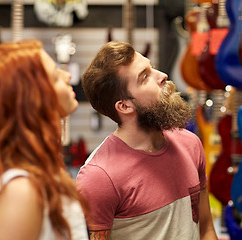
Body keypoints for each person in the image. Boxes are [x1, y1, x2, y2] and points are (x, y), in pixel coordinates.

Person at [76, 41, 218, 240]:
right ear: (124, 106)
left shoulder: (190, 144)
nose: (162, 75)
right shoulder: (99, 177)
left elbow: (206, 230)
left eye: (152, 67)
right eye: (145, 77)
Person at [0, 40, 89, 240]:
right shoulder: (20, 190)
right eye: (55, 76)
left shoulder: (32, 178)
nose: (67, 76)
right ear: (30, 100)